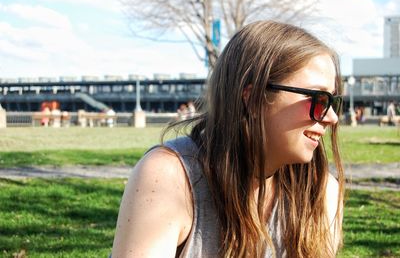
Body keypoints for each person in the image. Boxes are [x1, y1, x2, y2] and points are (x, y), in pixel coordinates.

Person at [111, 20, 345, 257]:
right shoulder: (170, 179)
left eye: (333, 102)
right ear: (253, 98)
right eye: (319, 99)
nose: (332, 118)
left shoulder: (321, 193)